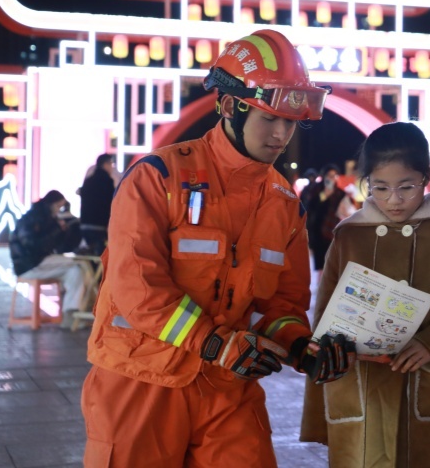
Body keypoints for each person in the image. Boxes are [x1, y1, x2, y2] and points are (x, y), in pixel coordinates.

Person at [81, 30, 355, 467]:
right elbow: (138, 289)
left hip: (227, 385)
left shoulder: (286, 206)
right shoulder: (157, 177)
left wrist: (301, 346)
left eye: (291, 121)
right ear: (229, 107)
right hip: (140, 378)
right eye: (270, 118)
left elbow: (280, 304)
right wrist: (212, 343)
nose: (282, 134)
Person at [300, 121, 430, 467]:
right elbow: (324, 323)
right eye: (379, 188)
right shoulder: (348, 237)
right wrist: (318, 407)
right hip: (358, 394)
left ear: (425, 177)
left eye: (406, 187)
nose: (393, 200)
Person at [9, 190, 93, 328]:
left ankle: (71, 314)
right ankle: (82, 309)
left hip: (38, 262)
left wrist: (65, 230)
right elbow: (33, 246)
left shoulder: (48, 219)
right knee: (78, 264)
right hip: (29, 264)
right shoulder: (32, 219)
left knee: (75, 271)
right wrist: (57, 230)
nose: (59, 210)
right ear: (51, 204)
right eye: (58, 207)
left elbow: (60, 247)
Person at [305, 163, 347, 273]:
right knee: (319, 261)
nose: (331, 178)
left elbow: (346, 210)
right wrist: (324, 195)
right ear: (323, 176)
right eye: (329, 175)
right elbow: (310, 206)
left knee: (332, 260)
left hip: (333, 230)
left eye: (334, 175)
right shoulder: (316, 189)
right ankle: (321, 285)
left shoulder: (340, 193)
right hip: (317, 229)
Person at [78, 153, 116, 255]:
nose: (112, 168)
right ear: (105, 164)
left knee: (90, 254)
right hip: (99, 225)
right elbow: (110, 203)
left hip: (85, 223)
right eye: (111, 164)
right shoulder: (107, 181)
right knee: (99, 256)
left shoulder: (89, 180)